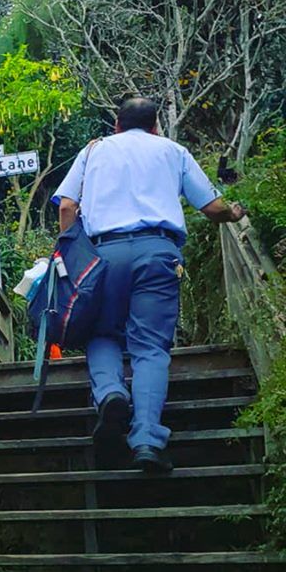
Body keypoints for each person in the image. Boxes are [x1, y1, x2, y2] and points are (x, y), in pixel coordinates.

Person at [52, 97, 246, 474]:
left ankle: (110, 394)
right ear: (156, 125)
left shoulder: (94, 151)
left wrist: (72, 255)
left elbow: (66, 206)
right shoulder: (172, 151)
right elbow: (211, 207)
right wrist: (235, 212)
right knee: (150, 347)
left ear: (116, 125)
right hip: (158, 253)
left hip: (102, 256)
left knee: (101, 333)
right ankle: (146, 440)